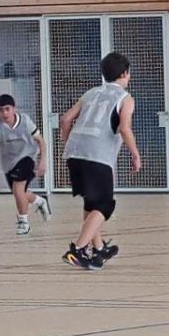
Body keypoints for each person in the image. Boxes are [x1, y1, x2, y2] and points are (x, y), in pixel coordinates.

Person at [57, 52, 142, 270]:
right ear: (125, 73)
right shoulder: (125, 98)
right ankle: (77, 249)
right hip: (97, 155)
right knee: (105, 204)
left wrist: (69, 143)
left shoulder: (91, 92)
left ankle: (98, 248)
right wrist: (135, 154)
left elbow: (65, 119)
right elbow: (124, 128)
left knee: (91, 202)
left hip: (74, 152)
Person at [0, 93, 51, 235]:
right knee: (20, 193)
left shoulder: (26, 122)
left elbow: (41, 141)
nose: (4, 113)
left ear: (14, 109)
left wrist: (42, 161)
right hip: (8, 163)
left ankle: (24, 223)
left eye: (7, 109)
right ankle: (40, 201)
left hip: (27, 158)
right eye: (1, 110)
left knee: (18, 189)